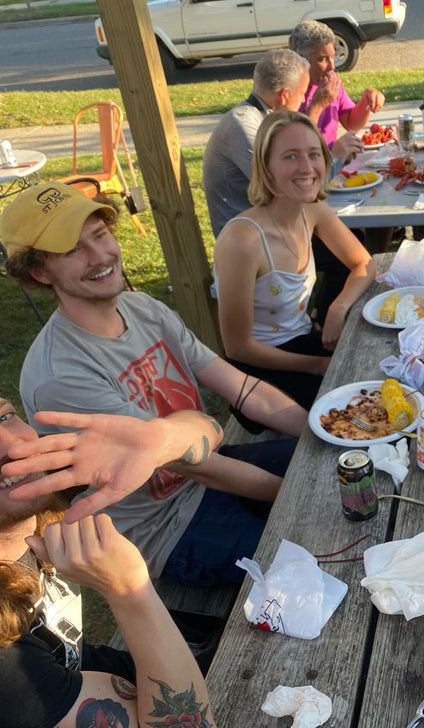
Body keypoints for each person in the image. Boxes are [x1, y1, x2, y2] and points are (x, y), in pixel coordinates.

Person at [1, 181, 309, 586]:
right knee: (314, 559)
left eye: (100, 234)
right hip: (165, 528)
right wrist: (299, 497)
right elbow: (195, 466)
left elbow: (243, 389)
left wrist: (325, 432)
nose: (100, 256)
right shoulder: (59, 375)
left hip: (209, 466)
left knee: (334, 462)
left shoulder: (141, 307)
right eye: (73, 250)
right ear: (40, 272)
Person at [0, 399, 218, 728]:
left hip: (91, 675)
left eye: (5, 416)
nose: (13, 446)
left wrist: (158, 439)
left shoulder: (39, 486)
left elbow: (209, 428)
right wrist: (130, 591)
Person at [214, 111, 375, 410]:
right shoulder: (243, 241)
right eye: (290, 156)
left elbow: (364, 264)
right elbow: (236, 348)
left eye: (314, 154)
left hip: (303, 342)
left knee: (377, 365)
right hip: (260, 373)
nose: (306, 167)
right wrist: (317, 365)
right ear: (267, 168)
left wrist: (338, 307)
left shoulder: (312, 210)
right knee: (361, 410)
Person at [203, 48, 362, 238]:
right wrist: (336, 157)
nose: (303, 99)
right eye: (302, 93)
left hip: (271, 225)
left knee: (353, 233)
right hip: (251, 242)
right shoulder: (244, 126)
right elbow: (290, 191)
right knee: (353, 238)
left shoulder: (260, 117)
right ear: (285, 95)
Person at [289, 20, 385, 147]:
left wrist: (367, 101)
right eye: (322, 59)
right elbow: (298, 143)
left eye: (332, 57)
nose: (332, 66)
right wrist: (317, 106)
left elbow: (351, 123)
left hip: (333, 163)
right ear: (300, 59)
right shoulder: (287, 89)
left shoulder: (329, 79)